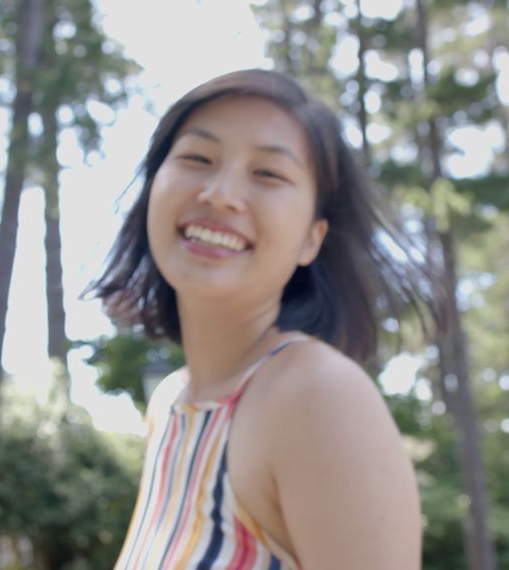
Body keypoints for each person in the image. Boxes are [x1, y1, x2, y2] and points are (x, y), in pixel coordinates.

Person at [90, 69, 437, 570]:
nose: (220, 193)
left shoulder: (318, 394)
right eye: (197, 158)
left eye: (268, 174)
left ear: (311, 238)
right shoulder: (170, 406)